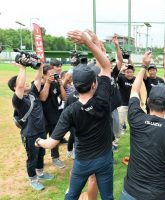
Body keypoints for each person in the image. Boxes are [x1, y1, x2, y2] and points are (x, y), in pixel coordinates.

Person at [35, 29, 114, 200]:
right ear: (94, 84)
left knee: (71, 195)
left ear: (75, 86)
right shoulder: (102, 99)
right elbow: (106, 65)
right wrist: (89, 42)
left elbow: (50, 143)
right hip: (105, 158)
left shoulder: (70, 109)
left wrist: (38, 141)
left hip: (83, 161)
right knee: (108, 197)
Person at [121, 51, 165, 200]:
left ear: (148, 101)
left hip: (129, 192)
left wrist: (144, 65)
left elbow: (134, 90)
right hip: (156, 194)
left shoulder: (136, 118)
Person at [8, 61, 54, 191]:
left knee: (41, 154)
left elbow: (38, 79)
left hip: (41, 130)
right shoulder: (18, 100)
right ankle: (33, 179)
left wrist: (39, 67)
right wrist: (22, 68)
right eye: (21, 82)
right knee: (32, 157)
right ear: (15, 88)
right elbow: (20, 87)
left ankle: (40, 172)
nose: (25, 82)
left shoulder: (33, 94)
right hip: (30, 134)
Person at [39, 64, 67, 168]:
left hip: (55, 116)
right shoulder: (37, 85)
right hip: (42, 119)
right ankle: (39, 160)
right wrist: (47, 83)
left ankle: (55, 158)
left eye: (54, 74)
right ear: (43, 76)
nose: (53, 76)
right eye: (50, 74)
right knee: (41, 140)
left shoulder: (55, 84)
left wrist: (60, 85)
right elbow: (42, 98)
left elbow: (64, 98)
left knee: (55, 139)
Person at [117, 64, 136, 135]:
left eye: (131, 72)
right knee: (120, 122)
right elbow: (115, 76)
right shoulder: (121, 78)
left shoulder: (135, 79)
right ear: (124, 72)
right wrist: (121, 69)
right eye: (127, 72)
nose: (129, 74)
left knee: (133, 121)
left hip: (132, 104)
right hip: (123, 104)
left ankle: (134, 135)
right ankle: (115, 142)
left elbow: (137, 90)